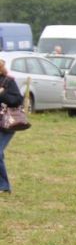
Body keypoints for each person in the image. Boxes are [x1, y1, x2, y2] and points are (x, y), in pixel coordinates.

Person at [0, 59, 23, 194]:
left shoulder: (8, 81)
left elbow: (17, 100)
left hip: (6, 124)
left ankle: (4, 185)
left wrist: (2, 94)